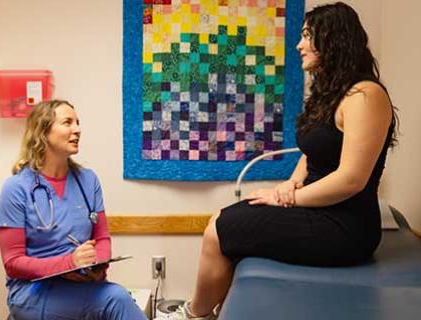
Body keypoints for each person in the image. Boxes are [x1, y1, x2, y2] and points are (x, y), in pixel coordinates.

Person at [168, 2, 398, 319]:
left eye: (307, 36)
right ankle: (211, 313)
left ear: (332, 39)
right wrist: (287, 185)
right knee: (222, 217)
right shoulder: (333, 94)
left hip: (345, 226)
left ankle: (195, 316)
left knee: (219, 231)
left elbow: (351, 180)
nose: (298, 45)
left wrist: (291, 198)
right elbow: (312, 152)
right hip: (317, 209)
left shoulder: (365, 95)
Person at [0, 100, 146, 320]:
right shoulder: (16, 188)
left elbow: (102, 237)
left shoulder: (88, 180)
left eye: (78, 123)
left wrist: (96, 266)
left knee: (119, 298)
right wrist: (69, 263)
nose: (77, 129)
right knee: (116, 299)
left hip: (81, 284)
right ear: (43, 132)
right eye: (67, 122)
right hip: (32, 292)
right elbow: (13, 263)